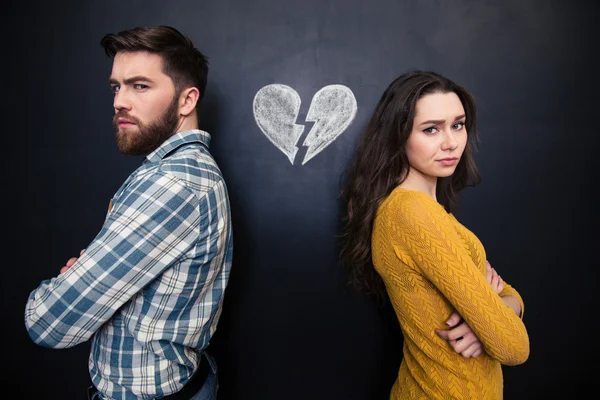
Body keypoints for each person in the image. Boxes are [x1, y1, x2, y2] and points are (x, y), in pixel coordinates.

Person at [24, 25, 233, 400]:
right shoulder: (179, 171)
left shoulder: (173, 184)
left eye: (140, 86)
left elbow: (49, 322)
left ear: (187, 101)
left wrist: (70, 285)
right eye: (116, 87)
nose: (119, 100)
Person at [340, 70, 529, 399]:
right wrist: (493, 315)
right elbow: (515, 346)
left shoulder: (426, 211)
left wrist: (492, 315)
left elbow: (510, 296)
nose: (451, 142)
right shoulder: (413, 215)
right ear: (398, 137)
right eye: (431, 129)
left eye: (458, 124)